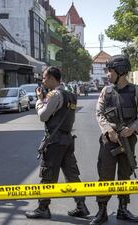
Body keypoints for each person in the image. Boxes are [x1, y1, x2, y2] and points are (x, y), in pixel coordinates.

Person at [25, 66, 90, 219]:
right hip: (67, 140)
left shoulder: (54, 95)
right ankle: (81, 205)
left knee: (48, 175)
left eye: (44, 77)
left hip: (54, 141)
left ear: (52, 79)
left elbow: (43, 116)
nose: (42, 80)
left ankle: (43, 208)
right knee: (72, 175)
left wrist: (40, 100)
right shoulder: (71, 95)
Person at [91, 55, 138, 225]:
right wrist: (109, 130)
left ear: (121, 72)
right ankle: (102, 210)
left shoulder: (136, 91)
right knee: (105, 175)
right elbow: (99, 113)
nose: (108, 74)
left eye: (110, 71)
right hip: (109, 141)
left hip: (128, 140)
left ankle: (123, 208)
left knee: (125, 175)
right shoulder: (106, 91)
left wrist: (133, 128)